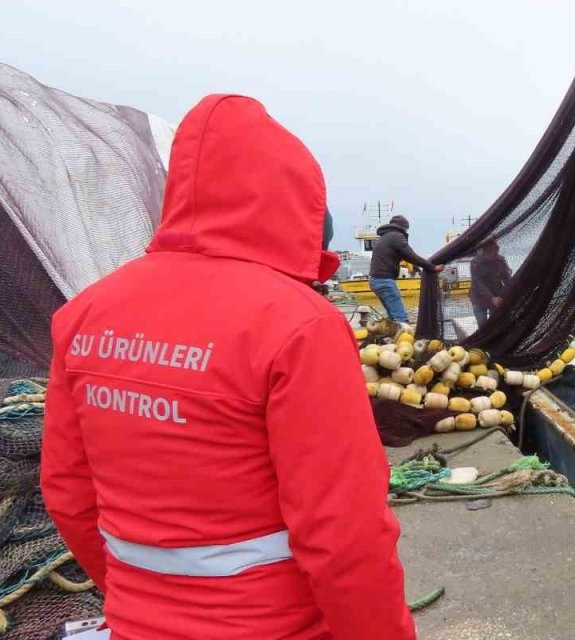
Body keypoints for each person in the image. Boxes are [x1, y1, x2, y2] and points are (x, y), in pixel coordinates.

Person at [41, 95, 415, 640]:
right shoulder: (300, 325)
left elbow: (68, 494)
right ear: (295, 200)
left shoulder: (85, 314)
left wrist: (136, 600)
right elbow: (345, 537)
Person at [370, 214, 440, 324]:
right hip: (384, 281)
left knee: (392, 317)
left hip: (375, 281)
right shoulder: (397, 236)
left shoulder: (385, 237)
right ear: (404, 227)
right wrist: (433, 267)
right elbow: (411, 255)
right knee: (401, 318)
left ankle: (393, 338)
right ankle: (404, 338)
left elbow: (404, 256)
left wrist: (416, 268)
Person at [468, 239, 512, 325]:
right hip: (479, 298)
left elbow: (507, 279)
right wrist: (491, 297)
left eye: (496, 252)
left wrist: (502, 296)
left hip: (496, 297)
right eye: (493, 253)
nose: (495, 255)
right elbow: (478, 283)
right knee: (482, 324)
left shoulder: (500, 260)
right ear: (486, 253)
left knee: (495, 323)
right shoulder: (475, 262)